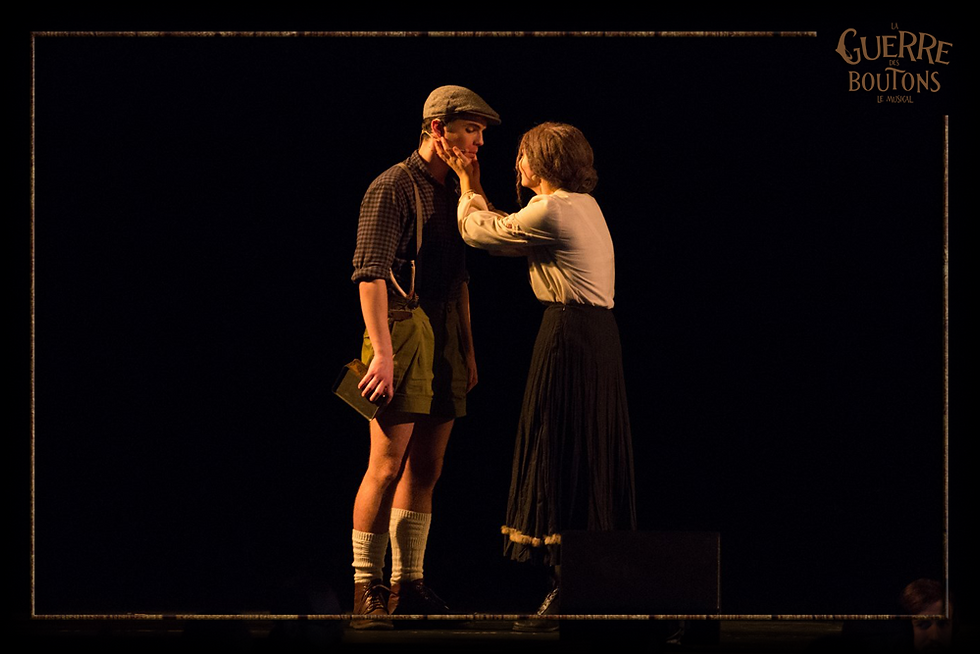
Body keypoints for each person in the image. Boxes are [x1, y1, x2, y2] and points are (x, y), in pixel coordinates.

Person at [434, 121, 637, 630]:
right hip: (597, 337)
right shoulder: (580, 206)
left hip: (570, 334)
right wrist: (476, 190)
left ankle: (570, 588)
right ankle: (585, 583)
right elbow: (508, 236)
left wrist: (468, 184)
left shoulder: (553, 210)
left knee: (561, 444)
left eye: (523, 156)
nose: (517, 164)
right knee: (584, 447)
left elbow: (478, 232)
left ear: (542, 162)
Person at [348, 85, 500, 629]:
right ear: (438, 129)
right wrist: (382, 355)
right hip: (402, 330)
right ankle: (365, 587)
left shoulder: (456, 190)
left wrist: (469, 347)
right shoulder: (392, 186)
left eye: (480, 131)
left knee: (427, 468)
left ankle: (407, 584)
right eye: (470, 129)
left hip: (445, 332)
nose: (479, 141)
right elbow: (369, 274)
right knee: (386, 465)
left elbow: (462, 278)